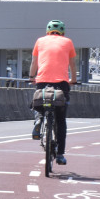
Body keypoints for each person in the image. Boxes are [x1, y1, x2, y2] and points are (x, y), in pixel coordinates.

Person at [29, 19, 77, 166]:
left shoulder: (40, 41)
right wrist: (73, 80)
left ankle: (39, 119)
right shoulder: (68, 42)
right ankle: (61, 154)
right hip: (61, 84)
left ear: (47, 31)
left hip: (42, 81)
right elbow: (72, 64)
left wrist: (32, 77)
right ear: (62, 32)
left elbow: (34, 62)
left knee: (39, 103)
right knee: (61, 120)